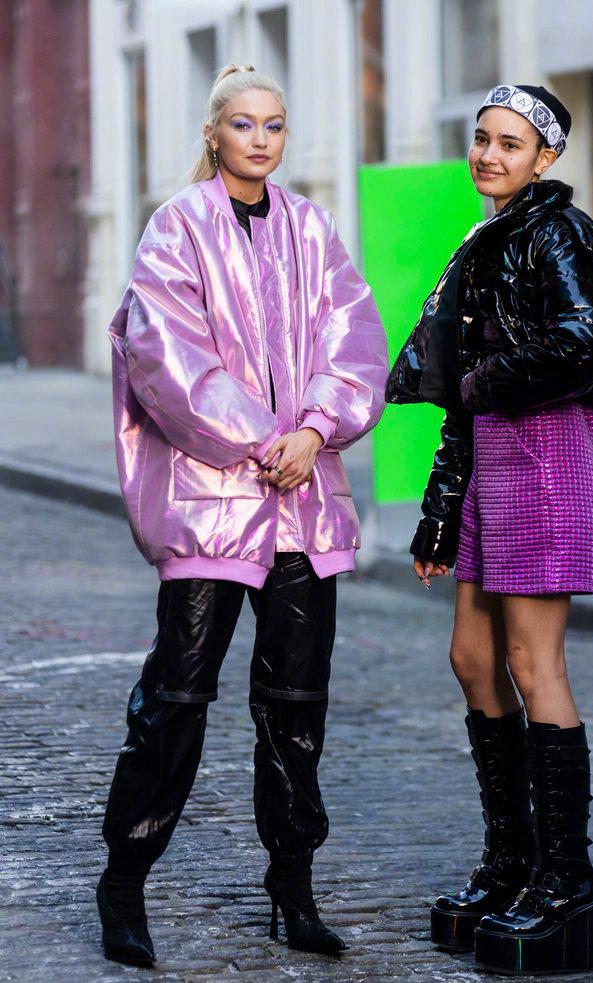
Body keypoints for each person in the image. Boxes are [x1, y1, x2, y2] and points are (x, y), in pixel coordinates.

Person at [97, 64, 388, 968]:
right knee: (175, 697)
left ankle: (292, 891)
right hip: (214, 501)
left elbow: (355, 338)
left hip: (303, 501)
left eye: (275, 125)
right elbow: (166, 357)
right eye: (244, 124)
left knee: (296, 706)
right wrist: (266, 438)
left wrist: (315, 429)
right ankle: (124, 882)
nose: (261, 139)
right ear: (214, 132)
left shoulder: (312, 228)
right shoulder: (177, 227)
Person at [387, 84, 593, 975]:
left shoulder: (554, 233)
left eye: (510, 143)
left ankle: (567, 880)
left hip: (545, 449)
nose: (489, 155)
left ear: (546, 157)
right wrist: (437, 511)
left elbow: (580, 340)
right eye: (482, 139)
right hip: (494, 449)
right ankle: (511, 861)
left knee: (535, 662)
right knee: (471, 656)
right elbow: (462, 399)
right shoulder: (487, 236)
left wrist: (486, 378)